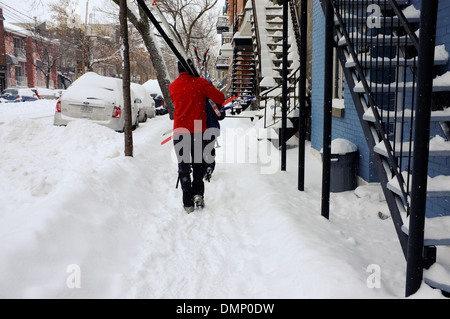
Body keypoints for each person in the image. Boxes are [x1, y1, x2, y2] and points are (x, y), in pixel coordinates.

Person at [169, 62, 225, 213]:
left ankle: (187, 202)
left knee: (184, 167)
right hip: (198, 131)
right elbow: (220, 98)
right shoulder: (200, 83)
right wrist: (204, 85)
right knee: (198, 165)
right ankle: (198, 195)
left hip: (180, 131)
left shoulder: (173, 86)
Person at [204, 79, 226, 182]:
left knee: (201, 149)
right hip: (212, 129)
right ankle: (210, 166)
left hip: (201, 129)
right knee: (210, 149)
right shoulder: (215, 98)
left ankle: (203, 167)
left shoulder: (199, 99)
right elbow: (221, 116)